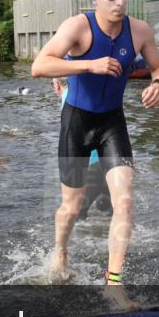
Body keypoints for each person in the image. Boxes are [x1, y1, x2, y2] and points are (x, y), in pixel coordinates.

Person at [31, 0, 159, 287]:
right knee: (71, 207)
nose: (119, 1)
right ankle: (61, 252)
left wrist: (158, 84)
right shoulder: (78, 26)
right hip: (76, 122)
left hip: (111, 123)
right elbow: (39, 66)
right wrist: (89, 65)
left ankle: (113, 281)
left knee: (125, 200)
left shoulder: (139, 31)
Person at [53, 78, 111, 221]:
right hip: (110, 163)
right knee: (112, 214)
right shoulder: (89, 93)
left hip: (91, 165)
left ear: (57, 86)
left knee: (77, 214)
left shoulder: (70, 102)